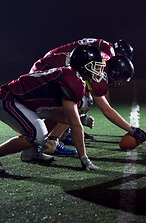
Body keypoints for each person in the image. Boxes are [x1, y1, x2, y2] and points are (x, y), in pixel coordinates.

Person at [21, 38, 146, 162]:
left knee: (80, 100)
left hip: (50, 67)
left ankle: (36, 145)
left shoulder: (102, 59)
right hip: (47, 71)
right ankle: (51, 141)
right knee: (81, 102)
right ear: (115, 71)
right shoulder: (100, 66)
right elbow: (106, 109)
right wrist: (131, 129)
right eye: (120, 78)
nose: (119, 82)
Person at [0, 45, 106, 173]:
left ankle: (30, 153)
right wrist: (84, 158)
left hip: (23, 102)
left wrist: (79, 118)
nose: (99, 70)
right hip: (8, 99)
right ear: (83, 66)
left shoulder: (71, 76)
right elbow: (75, 125)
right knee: (37, 135)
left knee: (48, 128)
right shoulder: (72, 81)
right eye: (96, 66)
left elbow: (58, 115)